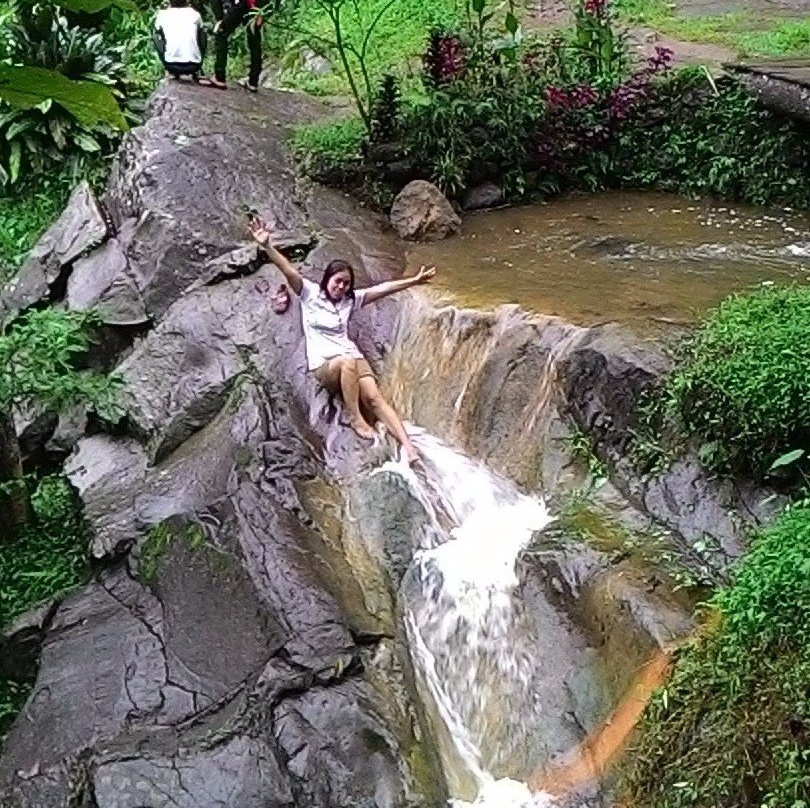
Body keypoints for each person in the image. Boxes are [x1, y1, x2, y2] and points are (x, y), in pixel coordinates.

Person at [248, 215, 435, 464]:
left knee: (374, 398)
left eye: (346, 283)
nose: (342, 287)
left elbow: (383, 289)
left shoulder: (351, 300)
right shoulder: (309, 294)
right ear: (328, 279)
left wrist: (413, 281)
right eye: (338, 281)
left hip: (352, 357)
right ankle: (356, 418)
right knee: (347, 361)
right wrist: (267, 245)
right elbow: (288, 269)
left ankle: (408, 446)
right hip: (326, 366)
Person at [209, 0, 263, 91]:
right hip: (255, 6)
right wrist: (261, 12)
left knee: (221, 33)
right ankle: (253, 81)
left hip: (242, 4)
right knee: (254, 38)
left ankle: (219, 76)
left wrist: (220, 19)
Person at [154, 0, 209, 83]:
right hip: (194, 65)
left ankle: (170, 70)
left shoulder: (162, 14)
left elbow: (159, 33)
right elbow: (201, 35)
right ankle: (196, 64)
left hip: (171, 65)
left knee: (156, 35)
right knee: (202, 32)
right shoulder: (195, 14)